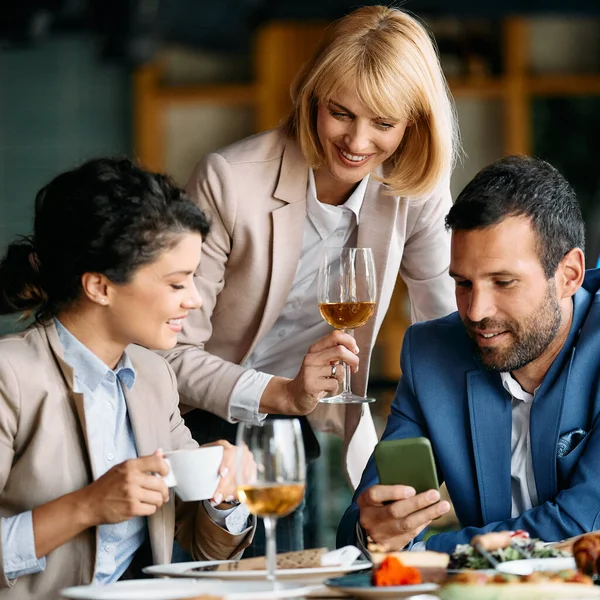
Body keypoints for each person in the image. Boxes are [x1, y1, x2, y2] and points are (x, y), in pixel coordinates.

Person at [164, 5, 460, 553]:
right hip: (201, 422)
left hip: (299, 427)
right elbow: (172, 354)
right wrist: (284, 393)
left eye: (385, 124)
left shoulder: (413, 188)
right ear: (314, 97)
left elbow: (442, 326)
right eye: (341, 113)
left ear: (414, 123)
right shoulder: (229, 182)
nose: (358, 141)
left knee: (293, 572)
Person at [0, 158, 254, 600]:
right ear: (100, 286)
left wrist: (223, 496)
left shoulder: (154, 375)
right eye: (177, 284)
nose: (195, 300)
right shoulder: (11, 375)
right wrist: (88, 506)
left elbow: (201, 544)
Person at [337, 155, 600, 554]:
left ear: (569, 275)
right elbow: (367, 519)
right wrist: (374, 530)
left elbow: (581, 524)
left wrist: (424, 553)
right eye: (463, 283)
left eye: (503, 282)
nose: (476, 311)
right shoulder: (433, 355)